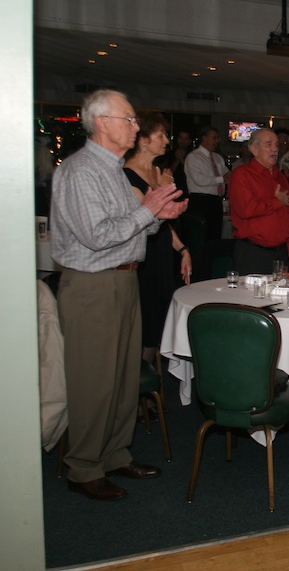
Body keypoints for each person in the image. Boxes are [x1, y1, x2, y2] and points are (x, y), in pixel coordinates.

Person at [51, 89, 187, 500]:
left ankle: (114, 453)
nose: (135, 127)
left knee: (124, 378)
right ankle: (83, 466)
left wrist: (154, 216)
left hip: (125, 279)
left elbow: (126, 227)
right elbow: (96, 236)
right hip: (93, 285)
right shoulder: (80, 171)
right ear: (102, 123)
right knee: (94, 380)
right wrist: (148, 211)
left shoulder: (110, 168)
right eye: (128, 120)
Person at [123, 113, 192, 364]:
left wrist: (183, 249)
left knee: (162, 321)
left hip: (162, 250)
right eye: (160, 135)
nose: (166, 140)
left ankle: (157, 388)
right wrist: (164, 189)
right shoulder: (126, 175)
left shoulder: (157, 171)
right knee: (147, 325)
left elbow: (165, 223)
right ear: (143, 140)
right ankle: (144, 391)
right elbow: (147, 219)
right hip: (144, 255)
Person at [228, 128, 289, 274]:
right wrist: (276, 202)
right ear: (254, 149)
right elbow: (246, 210)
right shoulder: (242, 175)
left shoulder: (281, 178)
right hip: (253, 253)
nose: (274, 149)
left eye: (276, 145)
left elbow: (286, 217)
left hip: (281, 253)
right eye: (268, 144)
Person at [184, 125, 228, 240]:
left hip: (216, 201)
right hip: (200, 201)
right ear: (204, 138)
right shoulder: (193, 157)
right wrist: (222, 178)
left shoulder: (218, 158)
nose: (217, 141)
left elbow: (228, 175)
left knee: (215, 235)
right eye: (214, 138)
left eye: (218, 138)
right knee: (201, 236)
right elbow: (200, 180)